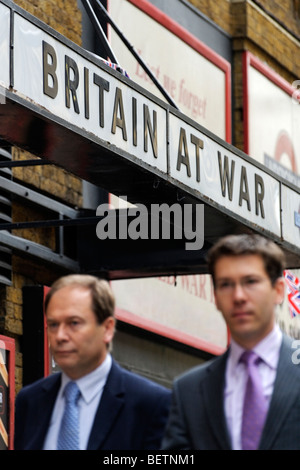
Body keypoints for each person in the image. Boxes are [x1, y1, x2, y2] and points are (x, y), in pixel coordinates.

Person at [162, 233, 300, 450]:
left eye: (250, 281)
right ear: (215, 297)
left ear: (279, 290)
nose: (238, 296)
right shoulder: (188, 391)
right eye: (226, 284)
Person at [14, 274, 171, 450]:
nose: (60, 336)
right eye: (53, 325)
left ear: (107, 328)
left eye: (74, 323)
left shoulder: (151, 404)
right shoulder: (30, 401)